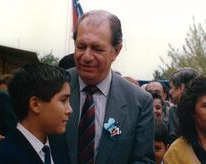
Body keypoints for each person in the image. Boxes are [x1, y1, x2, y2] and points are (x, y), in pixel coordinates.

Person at [62, 10, 154, 164]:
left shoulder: (140, 102)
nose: (86, 56)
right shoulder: (52, 87)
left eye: (97, 49)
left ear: (116, 51)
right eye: (81, 46)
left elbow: (142, 160)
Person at [0, 62, 72, 164]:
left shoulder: (58, 149)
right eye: (63, 100)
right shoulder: (3, 157)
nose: (70, 109)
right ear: (35, 105)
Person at [168, 67, 199, 143]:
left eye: (171, 87)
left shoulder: (175, 110)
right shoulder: (203, 107)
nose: (170, 92)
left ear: (181, 88)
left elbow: (174, 138)